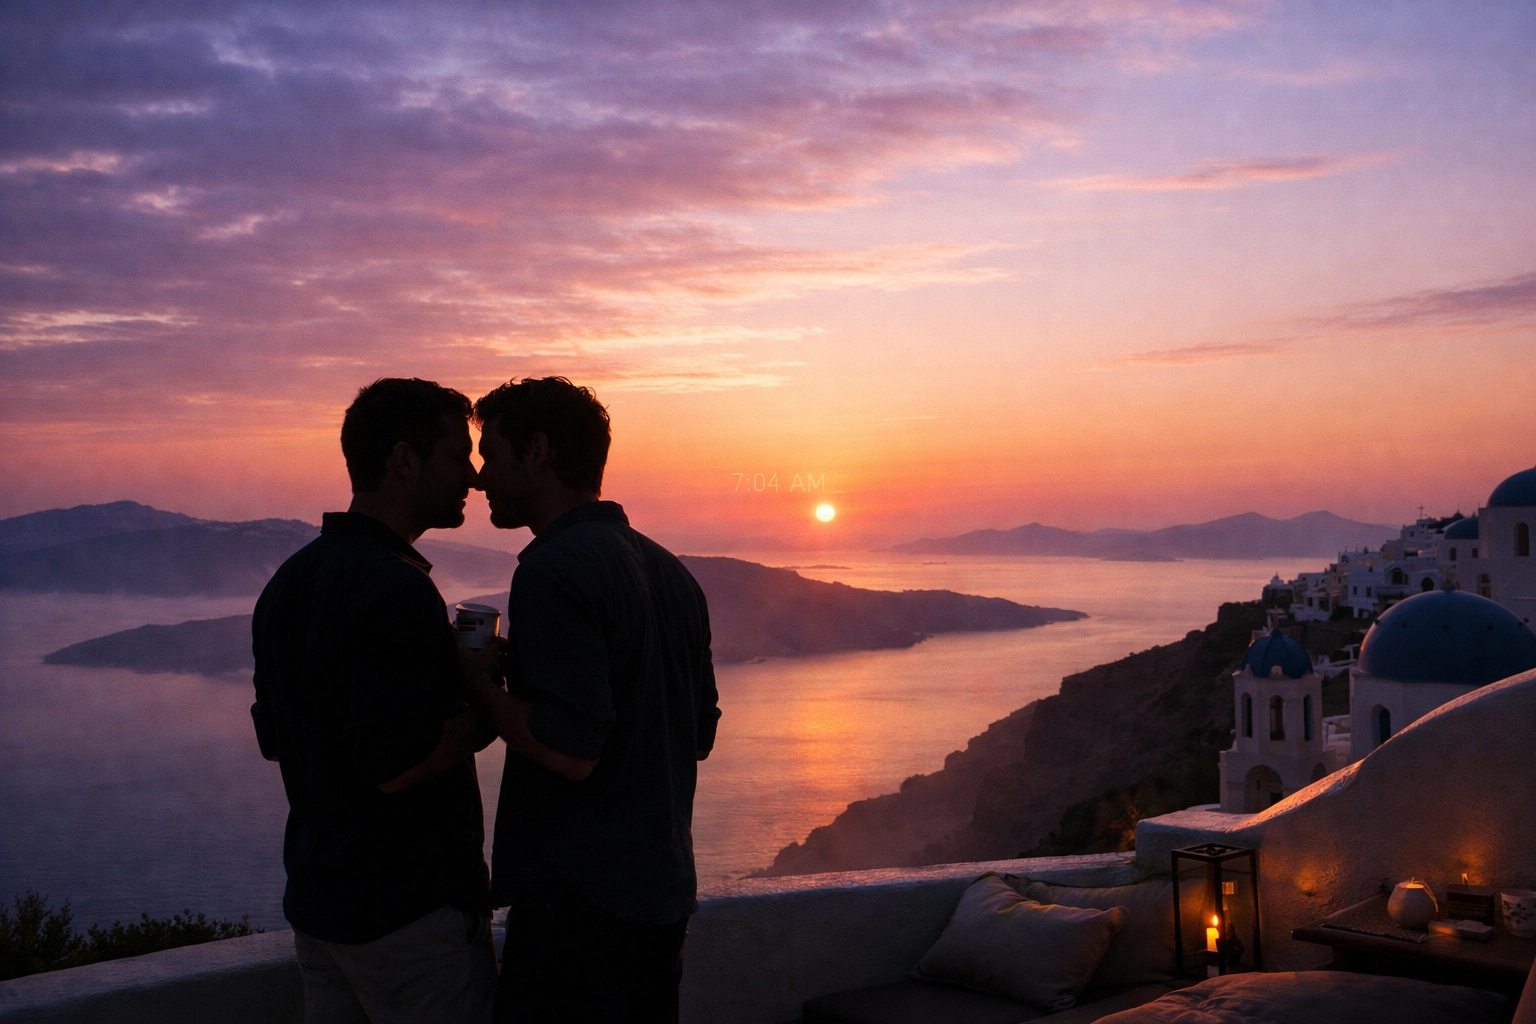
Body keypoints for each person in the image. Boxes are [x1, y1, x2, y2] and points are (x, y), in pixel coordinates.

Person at [465, 376, 720, 1023]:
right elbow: (698, 736)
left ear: (538, 451)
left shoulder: (551, 569)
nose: (478, 477)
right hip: (661, 897)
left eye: (490, 454)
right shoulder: (674, 574)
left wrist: (478, 684)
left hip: (577, 907)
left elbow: (570, 749)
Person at [251, 377, 499, 1024]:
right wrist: (481, 712)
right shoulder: (397, 590)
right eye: (457, 457)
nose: (472, 479)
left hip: (320, 908)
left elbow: (278, 740)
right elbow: (397, 763)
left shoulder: (290, 583)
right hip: (409, 920)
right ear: (404, 460)